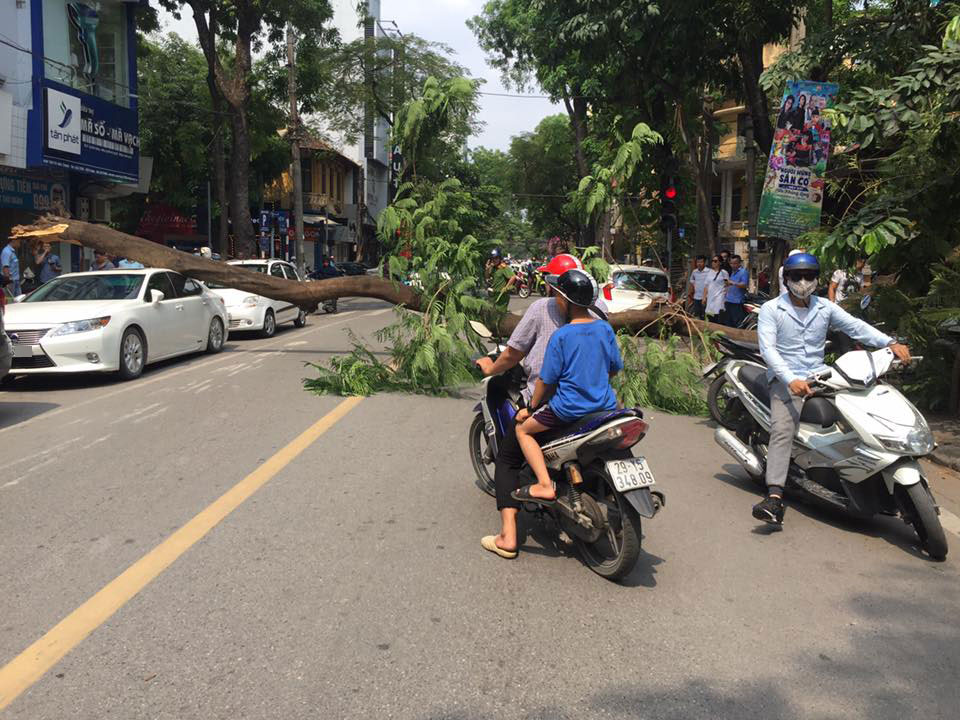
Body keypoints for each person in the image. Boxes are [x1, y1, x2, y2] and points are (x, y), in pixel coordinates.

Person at [752, 252, 911, 525]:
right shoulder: (771, 309)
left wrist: (890, 342)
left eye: (809, 276)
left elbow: (856, 327)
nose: (803, 281)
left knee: (861, 414)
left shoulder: (825, 308)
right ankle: (775, 495)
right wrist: (791, 379)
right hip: (786, 380)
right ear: (787, 278)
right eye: (797, 276)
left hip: (821, 377)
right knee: (782, 430)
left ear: (817, 278)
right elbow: (769, 349)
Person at [475, 253, 607, 559]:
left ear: (558, 290)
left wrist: (528, 404)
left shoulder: (547, 315)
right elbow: (612, 367)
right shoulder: (599, 318)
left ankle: (509, 537)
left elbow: (523, 362)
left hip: (555, 404)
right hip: (598, 403)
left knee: (508, 456)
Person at [510, 269, 622, 505]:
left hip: (567, 409)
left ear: (564, 300)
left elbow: (545, 381)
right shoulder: (605, 328)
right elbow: (613, 368)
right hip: (605, 407)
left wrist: (530, 408)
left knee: (523, 430)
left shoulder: (562, 336)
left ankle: (543, 484)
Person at [724, 254, 750, 327]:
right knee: (728, 323)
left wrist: (733, 283)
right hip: (729, 300)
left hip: (737, 302)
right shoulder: (733, 272)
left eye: (735, 263)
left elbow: (744, 285)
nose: (733, 265)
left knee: (737, 323)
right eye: (731, 263)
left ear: (739, 263)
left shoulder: (743, 272)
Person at [704, 255, 729, 324]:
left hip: (719, 300)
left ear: (720, 262)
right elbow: (706, 286)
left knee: (718, 320)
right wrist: (704, 297)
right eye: (712, 261)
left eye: (715, 261)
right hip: (710, 300)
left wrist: (724, 297)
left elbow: (727, 285)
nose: (713, 263)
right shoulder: (709, 272)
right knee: (709, 319)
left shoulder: (724, 273)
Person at [687, 255, 711, 320]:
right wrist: (695, 284)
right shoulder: (694, 272)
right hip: (696, 297)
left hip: (706, 298)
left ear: (705, 262)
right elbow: (691, 279)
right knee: (697, 314)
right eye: (698, 262)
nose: (699, 264)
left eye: (701, 262)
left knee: (706, 315)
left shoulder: (709, 271)